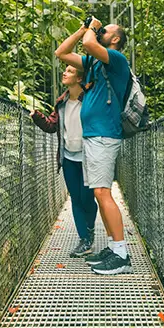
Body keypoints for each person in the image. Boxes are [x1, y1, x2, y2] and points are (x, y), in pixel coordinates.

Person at [54, 16, 132, 275]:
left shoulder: (117, 61)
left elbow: (89, 43)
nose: (99, 34)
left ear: (115, 39)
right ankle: (112, 247)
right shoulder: (95, 64)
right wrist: (81, 29)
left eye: (105, 32)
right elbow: (62, 52)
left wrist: (93, 29)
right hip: (92, 137)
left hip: (103, 136)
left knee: (102, 193)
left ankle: (121, 254)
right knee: (100, 194)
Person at [30, 65, 98, 257]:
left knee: (88, 199)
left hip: (87, 157)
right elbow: (52, 126)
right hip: (68, 157)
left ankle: (90, 228)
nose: (64, 73)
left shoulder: (90, 99)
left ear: (79, 78)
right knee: (76, 199)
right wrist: (37, 117)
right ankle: (85, 240)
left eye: (69, 71)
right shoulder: (61, 103)